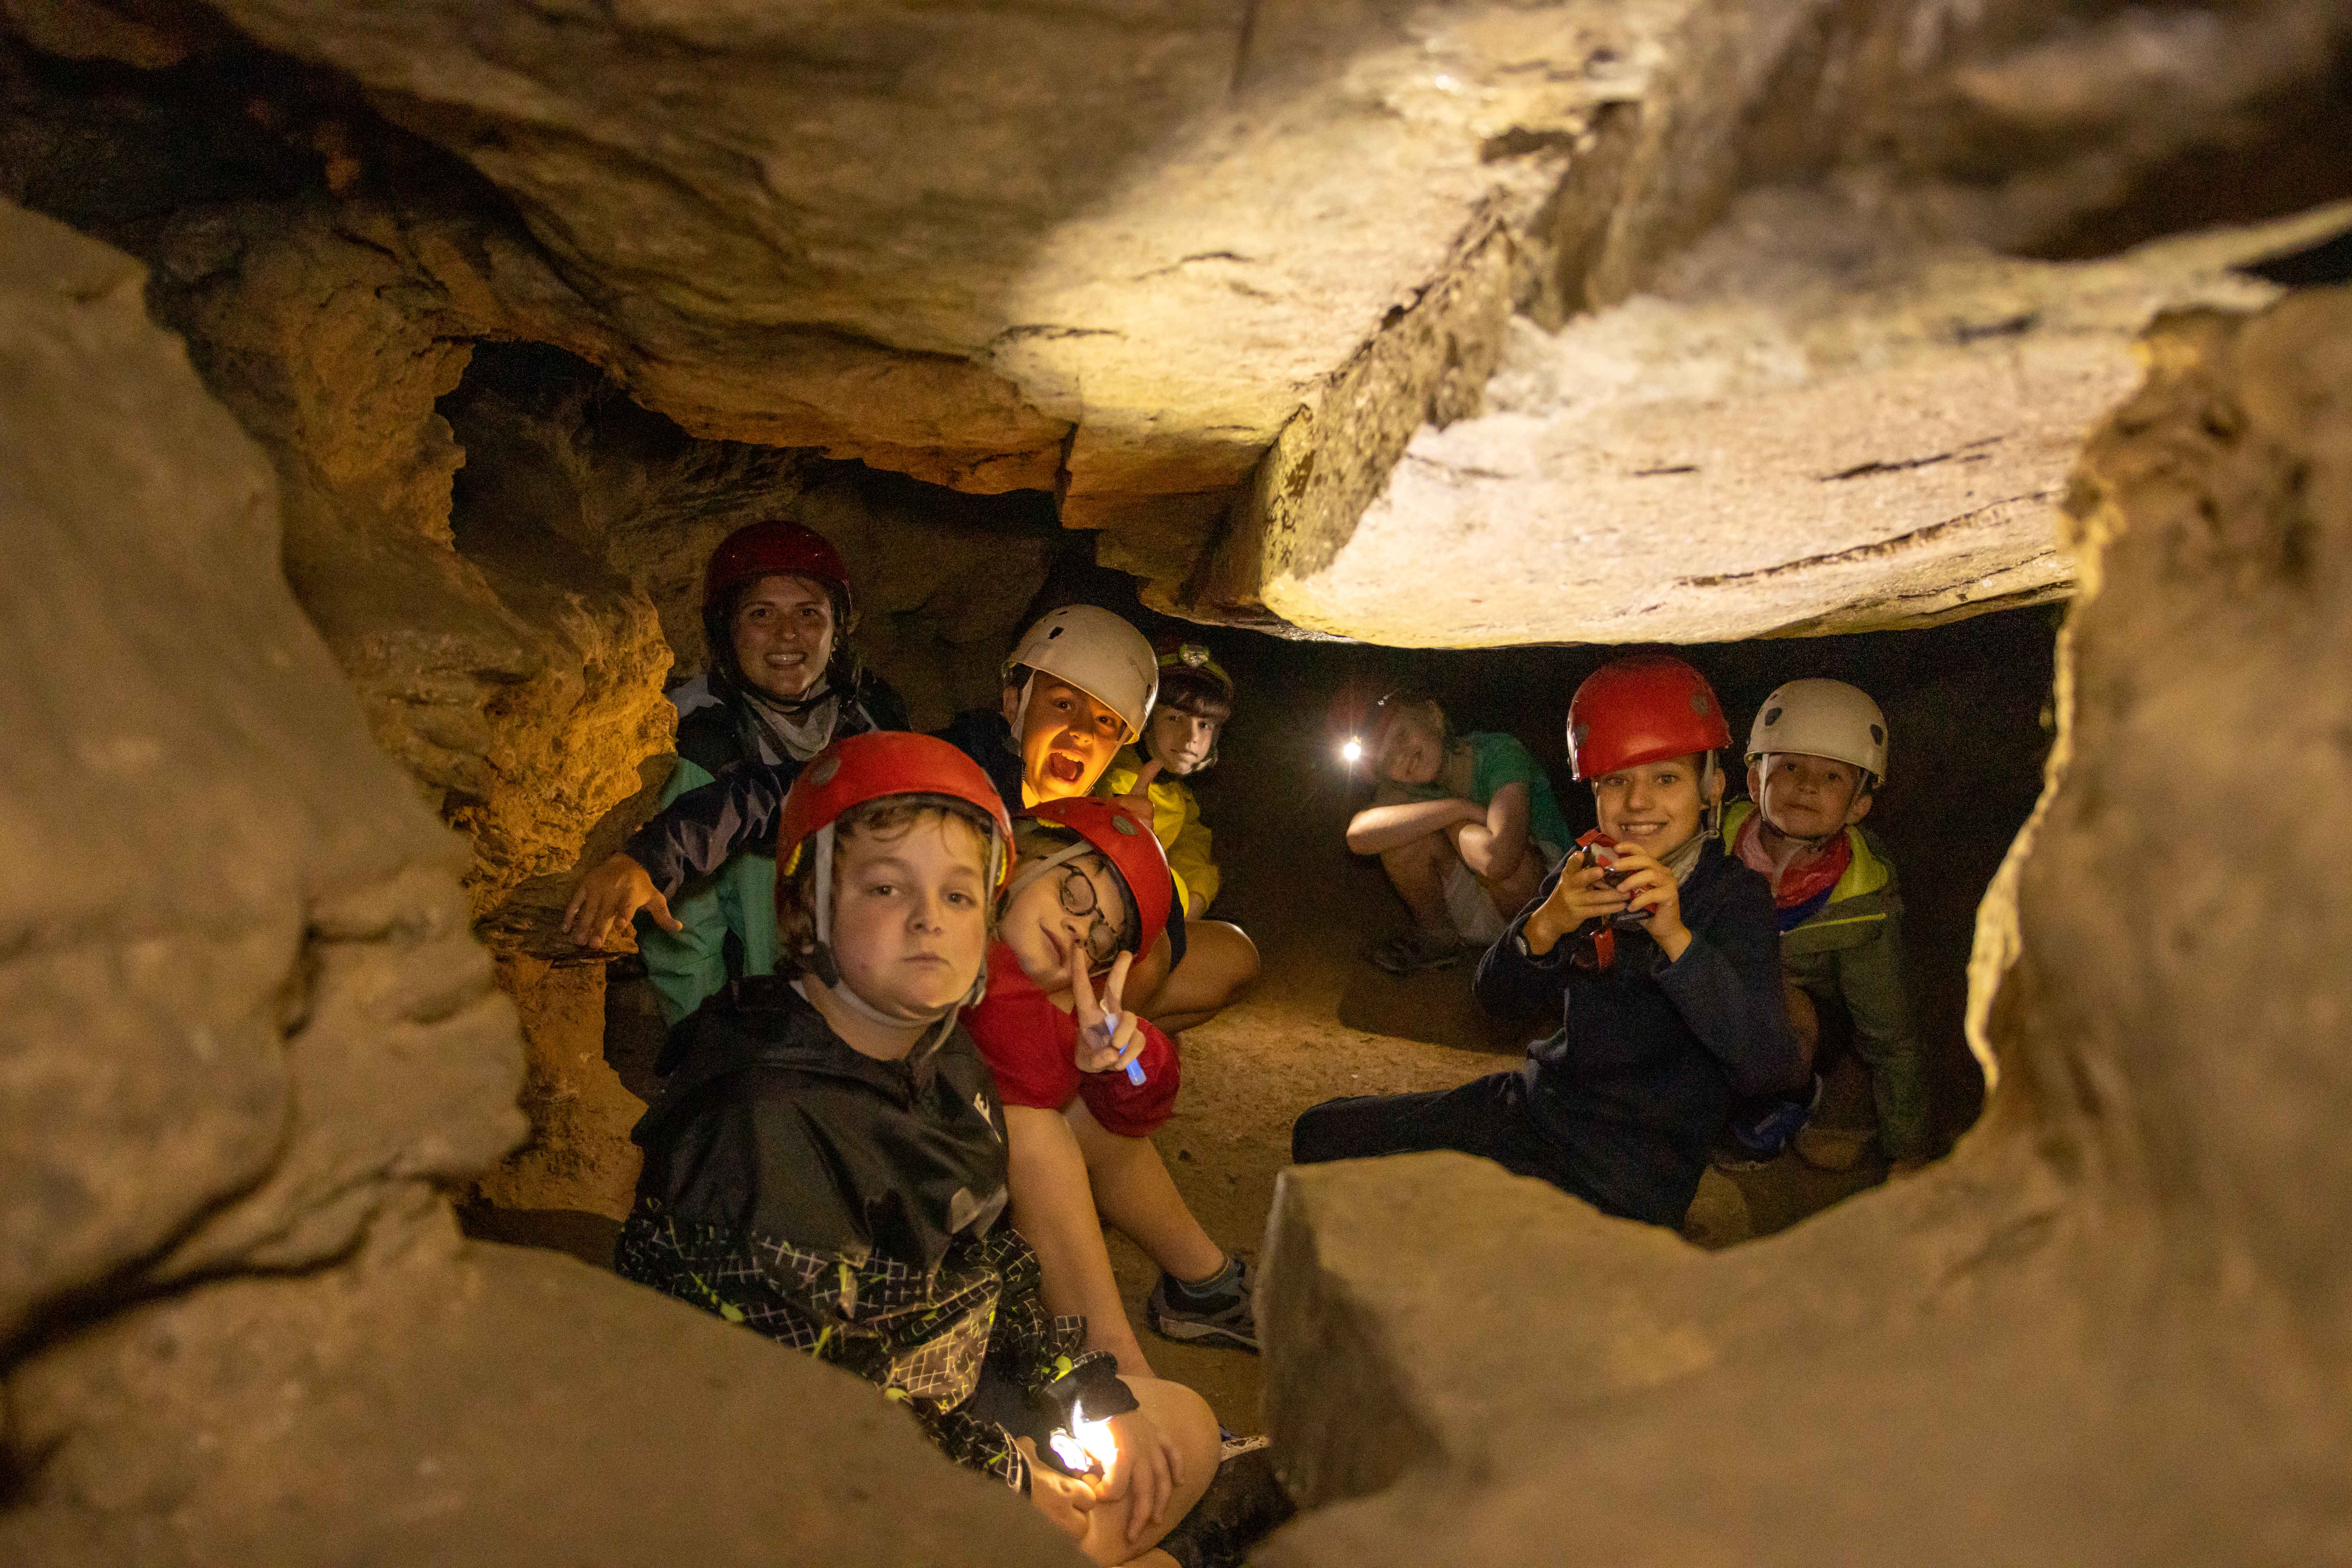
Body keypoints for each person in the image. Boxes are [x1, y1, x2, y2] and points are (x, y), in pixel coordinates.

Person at [615, 732, 1218, 1566]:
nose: (930, 917)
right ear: (808, 906)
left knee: (1181, 1428)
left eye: (960, 894)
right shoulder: (758, 1117)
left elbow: (984, 1269)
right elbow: (793, 1407)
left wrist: (1081, 1384)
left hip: (931, 1403)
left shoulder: (944, 1059)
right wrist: (1005, 1478)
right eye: (887, 886)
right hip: (796, 1483)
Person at [1293, 654, 1803, 1230]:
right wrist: (1544, 927)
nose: (1638, 803)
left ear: (1712, 788)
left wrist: (1676, 940)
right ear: (1595, 792)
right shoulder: (1586, 872)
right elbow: (1495, 1001)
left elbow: (1767, 1067)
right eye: (1616, 781)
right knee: (1322, 1134)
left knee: (1477, 1251)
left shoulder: (1733, 900)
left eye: (1666, 778)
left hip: (1633, 1172)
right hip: (1535, 1114)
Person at [561, 519, 907, 1023]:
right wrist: (706, 1045)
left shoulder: (872, 712)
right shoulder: (697, 736)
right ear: (728, 629)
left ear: (837, 629)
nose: (787, 633)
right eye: (761, 613)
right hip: (768, 1004)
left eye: (809, 613)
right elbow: (688, 942)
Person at [968, 798, 1259, 1377]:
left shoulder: (1040, 992)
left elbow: (1134, 1112)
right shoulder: (960, 931)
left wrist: (1129, 1057)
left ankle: (1203, 1284)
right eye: (1074, 892)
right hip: (879, 1167)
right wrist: (1075, 1045)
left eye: (1101, 937)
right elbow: (1025, 1071)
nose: (1081, 929)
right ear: (1020, 857)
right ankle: (1119, 1379)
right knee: (1037, 1131)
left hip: (951, 1148)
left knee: (1087, 1111)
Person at [1718, 678, 1931, 1174]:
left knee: (1782, 1010)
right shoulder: (1708, 847)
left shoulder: (1862, 901)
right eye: (1790, 766)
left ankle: (1806, 1097)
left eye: (1833, 776)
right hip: (1713, 998)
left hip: (1804, 1021)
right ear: (1755, 782)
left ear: (1859, 805)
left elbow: (1891, 1034)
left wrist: (1908, 1150)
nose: (1808, 785)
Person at [1344, 690, 1575, 975]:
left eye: (1401, 736)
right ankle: (1440, 938)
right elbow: (1359, 835)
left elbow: (1500, 860)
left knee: (1488, 847)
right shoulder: (1407, 786)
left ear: (1433, 716)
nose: (1400, 756)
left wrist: (1456, 825)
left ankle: (1539, 958)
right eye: (1387, 759)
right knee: (1397, 834)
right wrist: (1457, 809)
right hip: (1485, 911)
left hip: (1551, 905)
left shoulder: (1499, 753)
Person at [1101, 641, 1260, 1033]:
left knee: (1235, 957)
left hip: (1141, 935)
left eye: (1205, 725)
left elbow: (1194, 844)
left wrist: (1191, 896)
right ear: (1145, 719)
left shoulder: (1175, 792)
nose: (1191, 737)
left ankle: (1121, 1034)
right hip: (1101, 943)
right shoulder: (1114, 778)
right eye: (1174, 717)